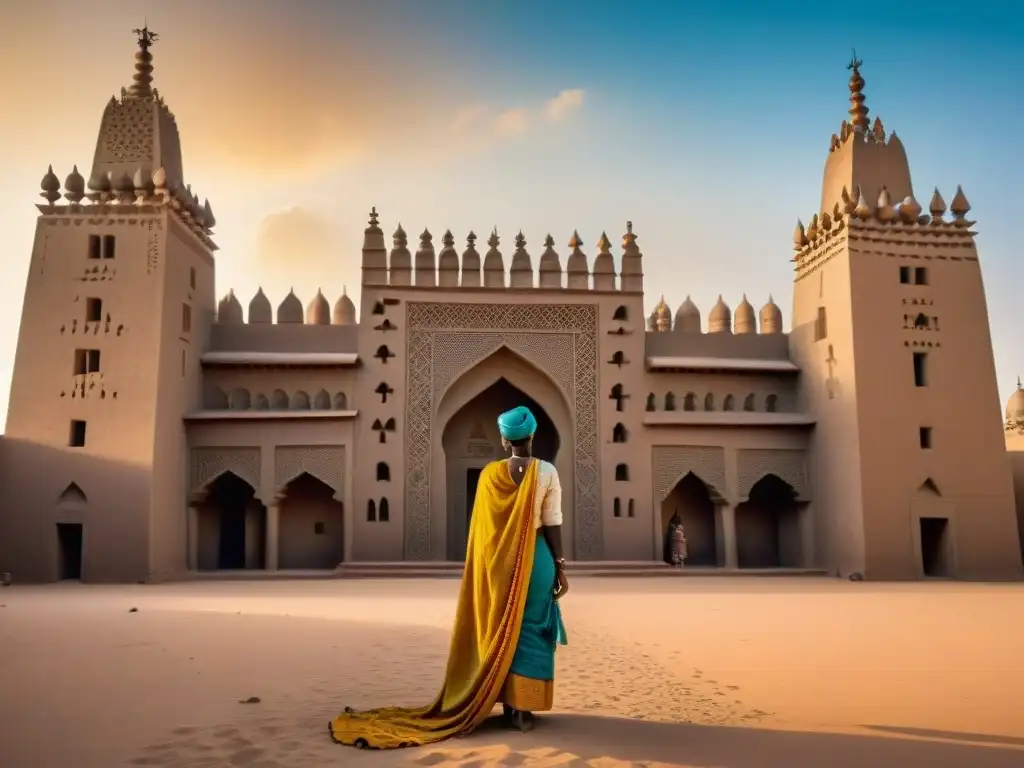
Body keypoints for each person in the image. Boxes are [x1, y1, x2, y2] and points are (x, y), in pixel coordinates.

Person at [328, 405, 569, 749]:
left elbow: (485, 533)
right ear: (532, 435)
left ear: (504, 440)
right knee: (532, 630)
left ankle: (499, 699)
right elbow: (552, 520)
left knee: (499, 628)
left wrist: (488, 568)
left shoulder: (489, 475)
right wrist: (559, 564)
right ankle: (523, 710)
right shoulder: (547, 472)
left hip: (496, 566)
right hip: (538, 561)